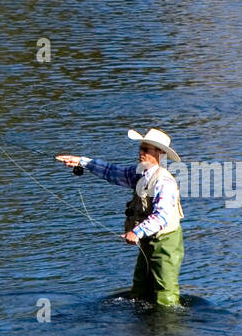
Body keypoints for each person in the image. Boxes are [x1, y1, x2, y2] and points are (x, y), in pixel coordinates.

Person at [55, 127, 184, 307]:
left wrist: (137, 232)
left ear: (160, 154)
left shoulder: (164, 182)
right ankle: (144, 327)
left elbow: (162, 216)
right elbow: (113, 172)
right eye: (141, 148)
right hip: (148, 240)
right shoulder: (140, 174)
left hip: (166, 243)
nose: (141, 153)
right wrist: (81, 162)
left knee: (165, 293)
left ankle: (167, 328)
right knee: (139, 288)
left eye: (146, 150)